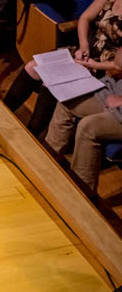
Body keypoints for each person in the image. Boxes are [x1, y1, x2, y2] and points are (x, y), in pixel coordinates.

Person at [5, 0, 122, 134]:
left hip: (107, 68)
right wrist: (83, 45)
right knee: (32, 67)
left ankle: (32, 134)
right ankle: (2, 113)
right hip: (88, 52)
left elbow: (119, 64)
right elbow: (85, 17)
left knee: (53, 81)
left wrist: (93, 64)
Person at [44, 54, 122, 192]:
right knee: (68, 101)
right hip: (115, 91)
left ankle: (81, 194)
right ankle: (45, 168)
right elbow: (118, 62)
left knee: (89, 127)